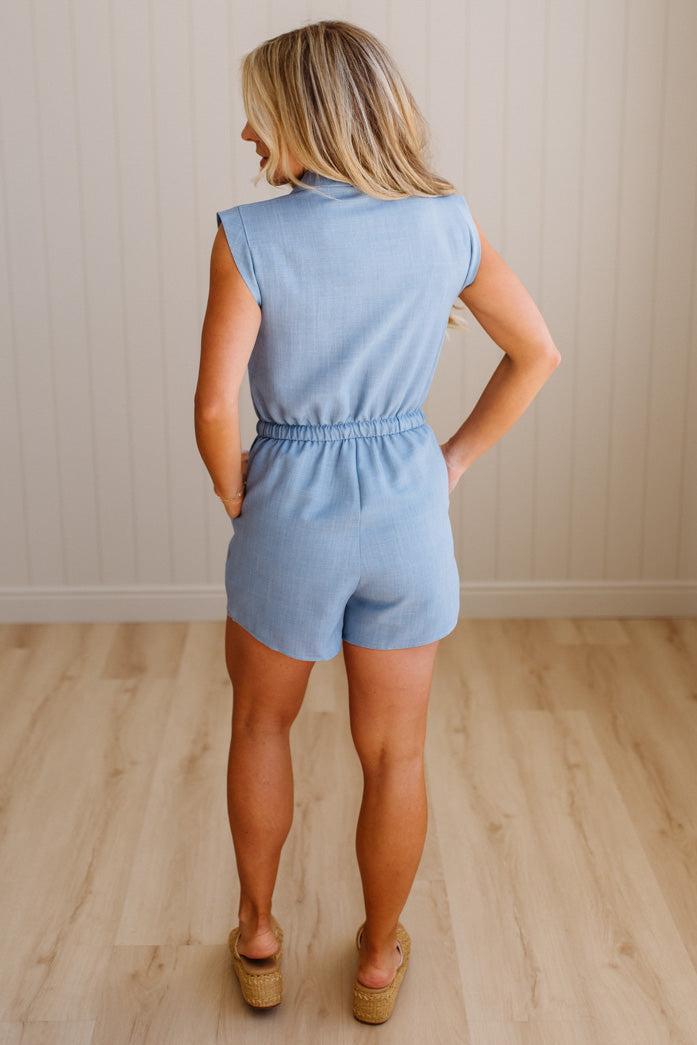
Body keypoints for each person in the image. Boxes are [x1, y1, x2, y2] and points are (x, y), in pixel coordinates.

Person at [194, 19, 560, 1024]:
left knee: (260, 722)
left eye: (259, 114)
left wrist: (237, 498)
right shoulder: (446, 222)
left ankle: (258, 935)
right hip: (406, 510)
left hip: (290, 512)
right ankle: (374, 957)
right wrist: (451, 461)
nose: (247, 133)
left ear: (306, 117)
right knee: (396, 750)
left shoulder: (248, 237)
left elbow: (216, 406)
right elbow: (537, 352)